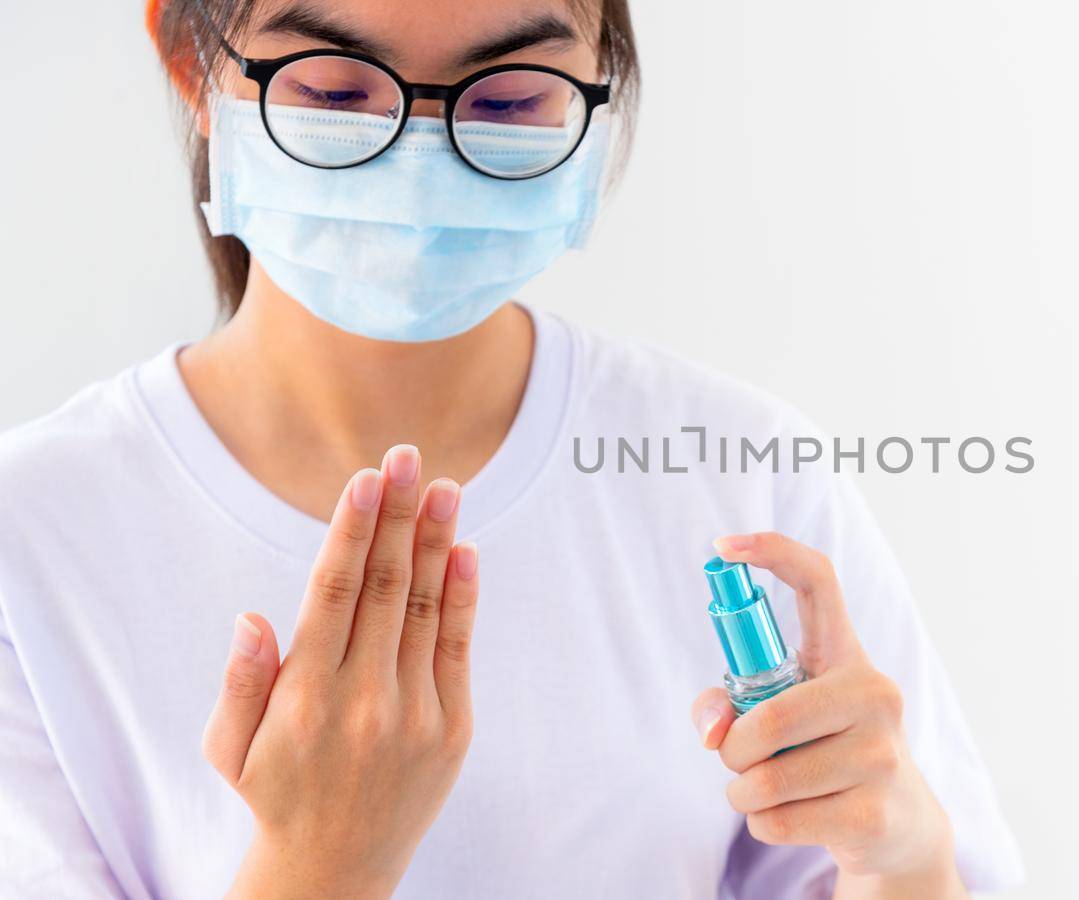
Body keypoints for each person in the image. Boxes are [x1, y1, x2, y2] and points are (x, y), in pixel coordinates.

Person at [0, 0, 1023, 897]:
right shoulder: (34, 537)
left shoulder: (744, 472)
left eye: (505, 100)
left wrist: (899, 862)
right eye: (332, 89)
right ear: (190, 59)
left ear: (595, 90)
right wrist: (322, 862)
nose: (420, 151)